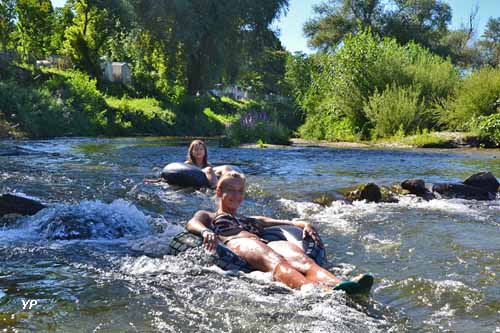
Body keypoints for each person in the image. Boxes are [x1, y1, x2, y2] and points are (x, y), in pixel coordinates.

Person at [186, 171, 373, 292]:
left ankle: (340, 284)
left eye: (240, 191)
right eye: (231, 190)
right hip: (237, 243)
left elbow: (272, 222)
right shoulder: (210, 215)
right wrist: (205, 232)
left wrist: (300, 224)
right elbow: (192, 223)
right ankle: (319, 291)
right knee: (277, 261)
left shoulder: (250, 219)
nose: (237, 196)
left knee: (303, 260)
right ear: (219, 192)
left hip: (265, 242)